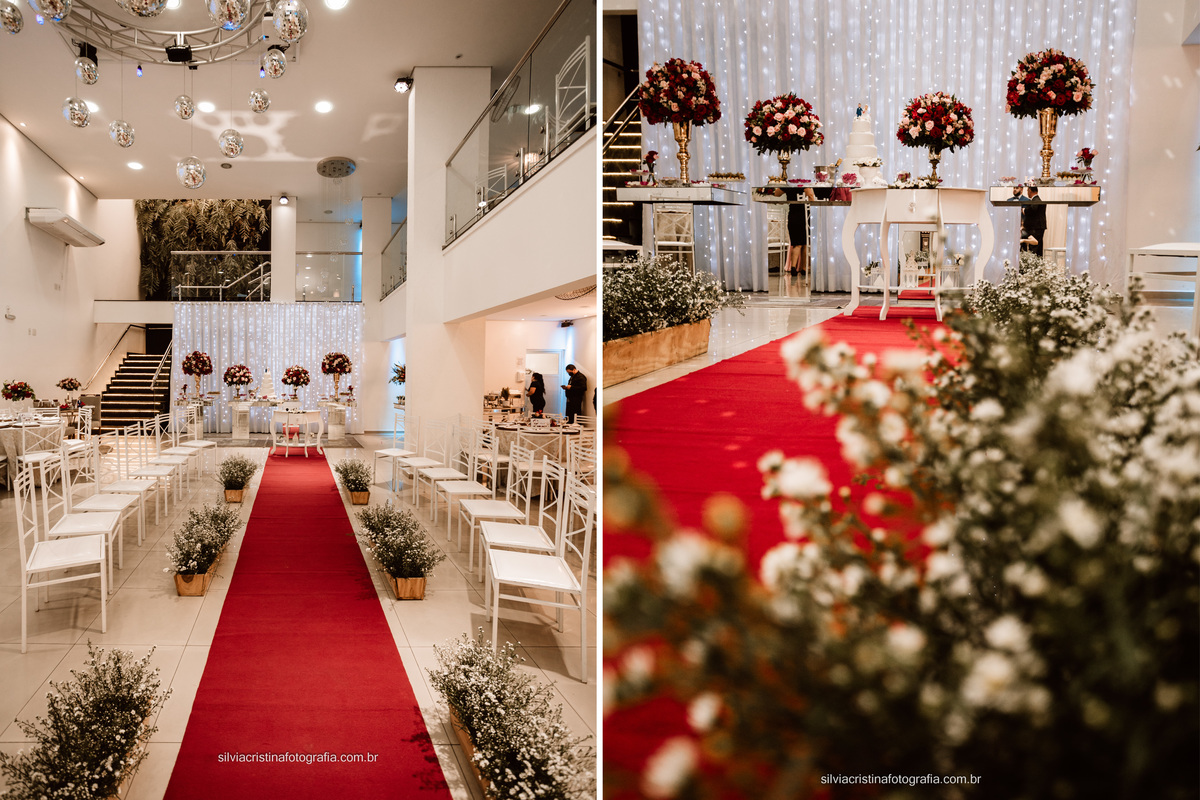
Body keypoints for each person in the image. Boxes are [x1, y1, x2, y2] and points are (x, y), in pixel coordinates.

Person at [1020, 184, 1047, 256]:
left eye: (1027, 190)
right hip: (1039, 227)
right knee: (1038, 247)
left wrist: (1024, 210)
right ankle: (1038, 263)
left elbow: (1033, 209)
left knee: (1034, 247)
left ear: (1030, 190)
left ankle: (1034, 265)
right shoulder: (1038, 199)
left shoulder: (1035, 200)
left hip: (1036, 227)